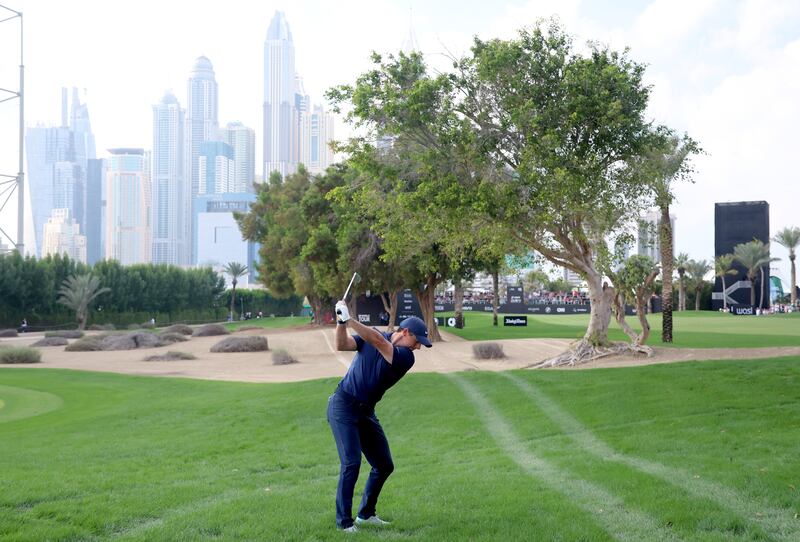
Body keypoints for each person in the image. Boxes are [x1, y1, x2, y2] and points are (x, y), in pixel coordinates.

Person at [328, 300, 432, 532]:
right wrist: (341, 322)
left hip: (365, 412)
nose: (418, 347)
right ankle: (344, 523)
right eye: (417, 341)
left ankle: (366, 514)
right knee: (351, 463)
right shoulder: (378, 336)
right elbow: (342, 344)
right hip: (343, 405)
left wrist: (350, 318)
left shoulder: (405, 357)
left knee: (384, 465)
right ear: (405, 332)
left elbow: (377, 341)